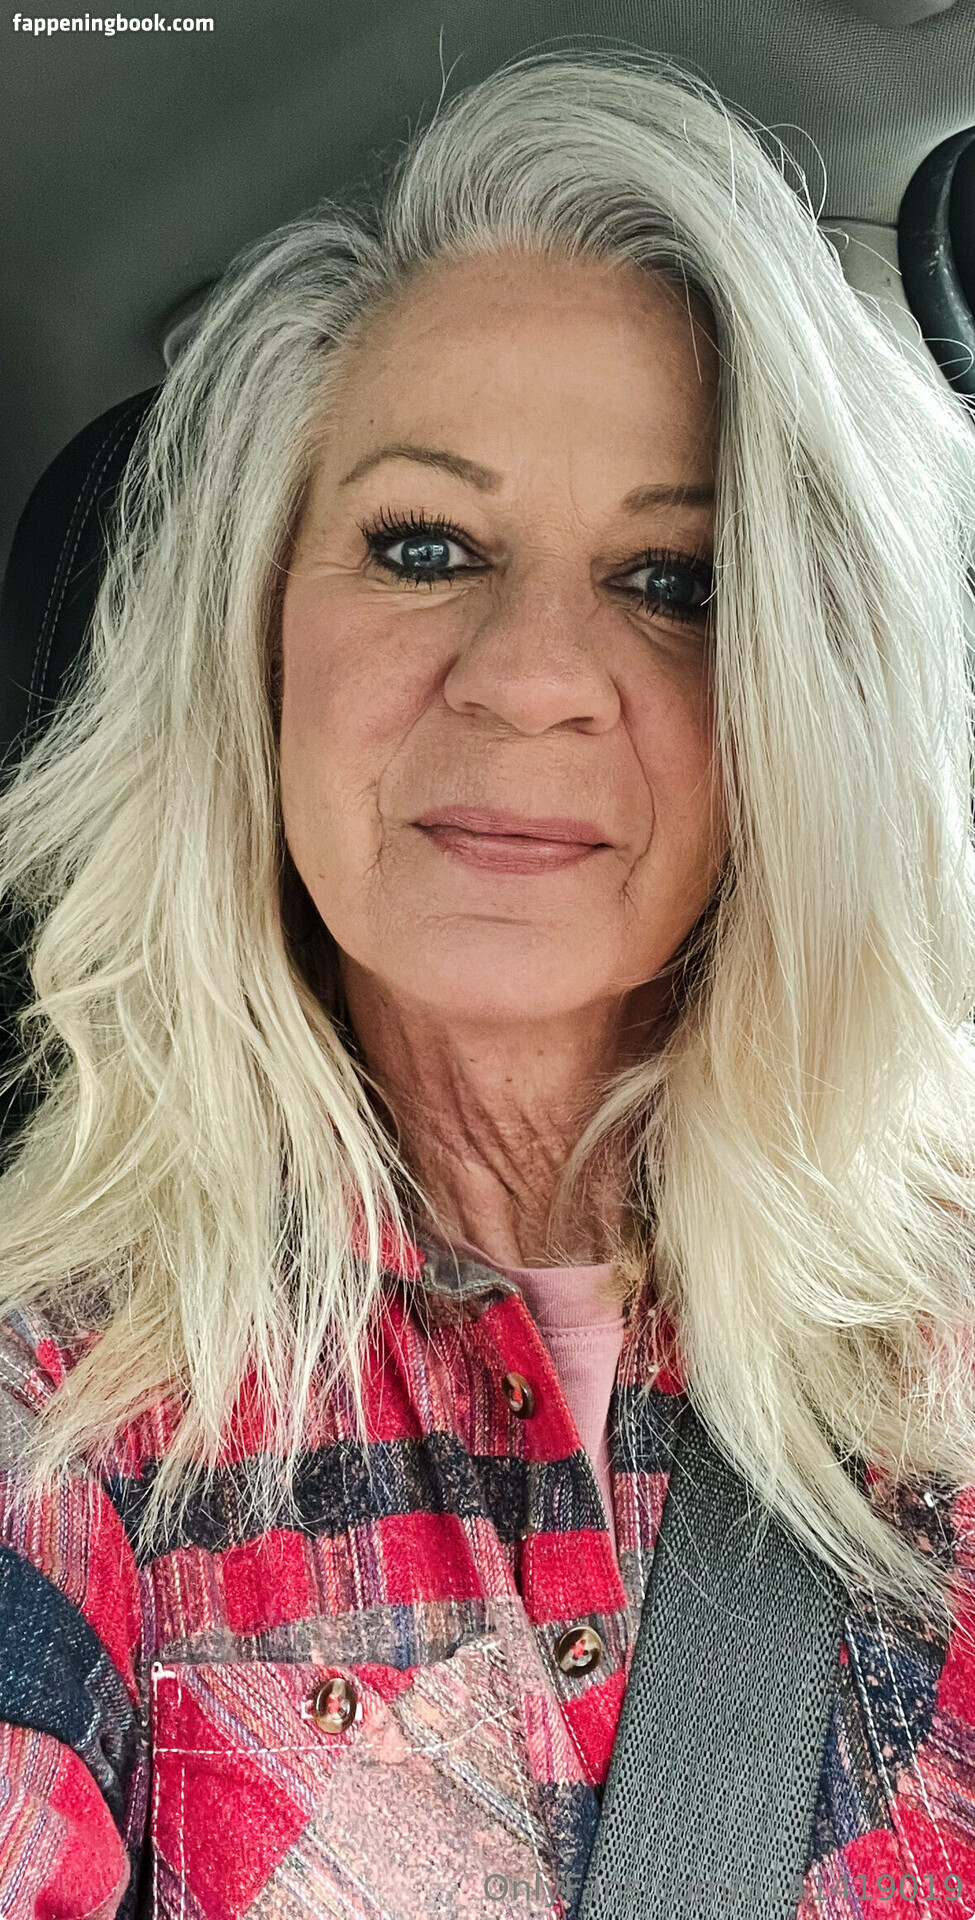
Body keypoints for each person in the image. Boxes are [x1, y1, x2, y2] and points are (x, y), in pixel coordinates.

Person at [0, 46, 974, 1920]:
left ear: (812, 692)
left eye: (676, 580)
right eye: (424, 548)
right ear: (255, 640)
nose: (529, 675)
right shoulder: (68, 1400)